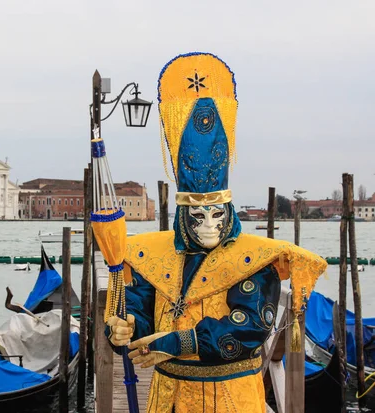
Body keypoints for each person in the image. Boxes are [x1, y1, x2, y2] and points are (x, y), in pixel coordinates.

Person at [104, 53, 327, 413]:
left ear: (228, 210)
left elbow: (249, 328)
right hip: (167, 398)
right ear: (182, 215)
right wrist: (125, 327)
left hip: (229, 400)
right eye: (198, 215)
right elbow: (140, 304)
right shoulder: (155, 255)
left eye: (215, 214)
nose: (209, 225)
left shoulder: (252, 259)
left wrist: (178, 343)